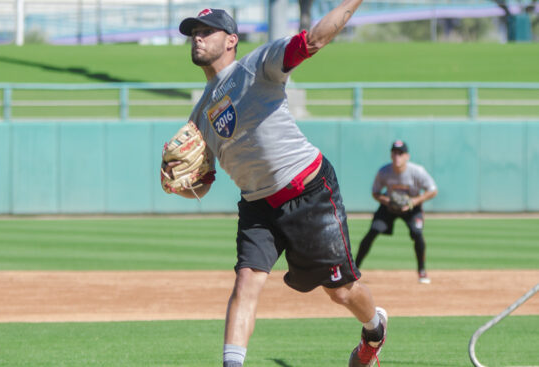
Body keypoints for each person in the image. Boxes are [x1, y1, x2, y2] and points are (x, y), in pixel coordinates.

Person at [163, 2, 387, 366]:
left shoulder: (256, 66)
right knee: (245, 283)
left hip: (309, 190)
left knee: (342, 292)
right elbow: (204, 184)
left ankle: (374, 331)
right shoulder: (200, 113)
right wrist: (182, 182)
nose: (197, 38)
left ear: (231, 39)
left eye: (206, 31)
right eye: (194, 33)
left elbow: (312, 41)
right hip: (257, 205)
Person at [355, 140, 438, 284]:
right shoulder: (384, 171)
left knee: (417, 233)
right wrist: (388, 201)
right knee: (373, 231)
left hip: (412, 208)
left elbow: (433, 190)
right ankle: (354, 270)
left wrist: (413, 202)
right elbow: (375, 192)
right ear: (391, 155)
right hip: (389, 208)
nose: (397, 156)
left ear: (407, 156)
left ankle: (422, 271)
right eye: (394, 153)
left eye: (401, 153)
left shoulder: (417, 171)